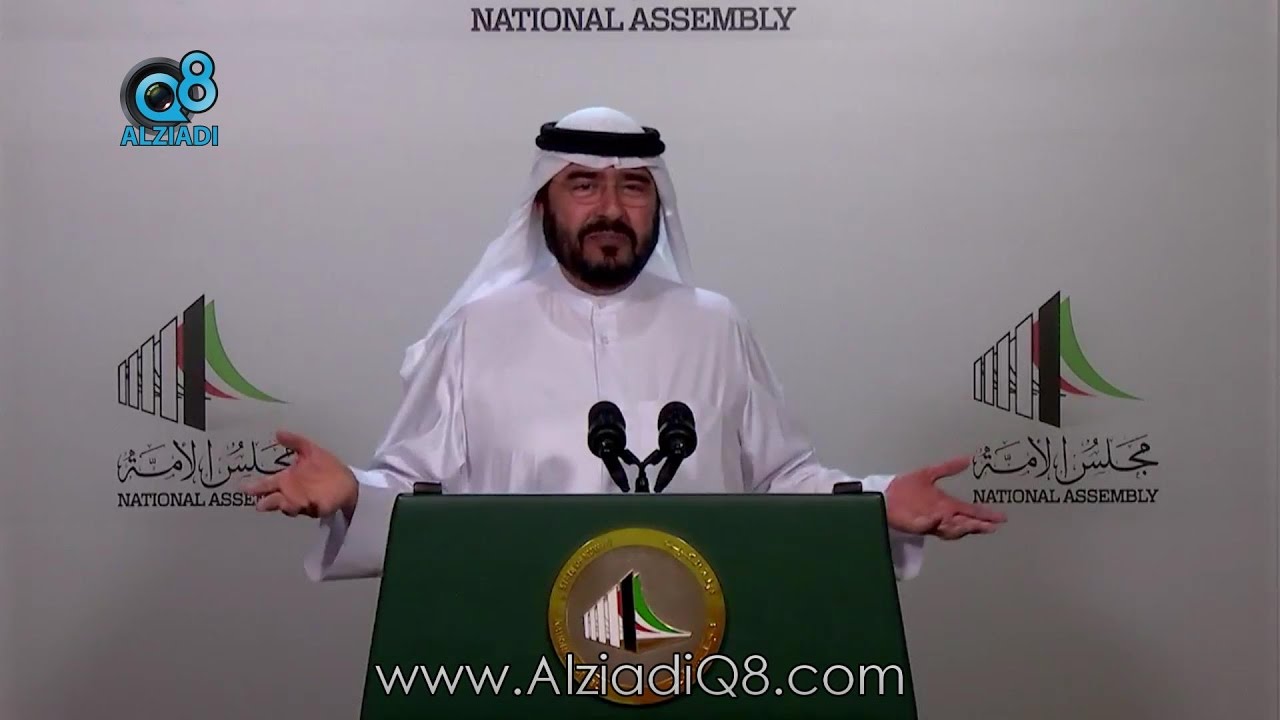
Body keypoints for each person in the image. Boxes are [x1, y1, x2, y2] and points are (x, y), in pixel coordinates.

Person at [245, 106, 1006, 582]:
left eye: (633, 187)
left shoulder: (715, 325)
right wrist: (353, 493)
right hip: (517, 636)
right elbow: (418, 491)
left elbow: (782, 480)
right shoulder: (480, 330)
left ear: (657, 206)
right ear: (543, 204)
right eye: (583, 185)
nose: (609, 208)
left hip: (698, 630)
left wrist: (876, 502)